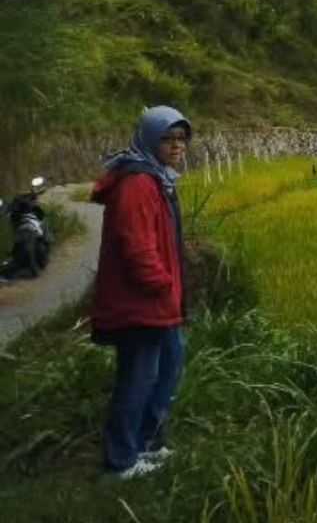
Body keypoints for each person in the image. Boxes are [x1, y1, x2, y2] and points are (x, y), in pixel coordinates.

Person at [90, 106, 191, 480]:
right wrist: (161, 283)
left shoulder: (155, 179)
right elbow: (137, 246)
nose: (176, 145)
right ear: (150, 140)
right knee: (138, 378)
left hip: (159, 304)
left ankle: (145, 443)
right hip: (141, 304)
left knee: (167, 368)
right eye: (168, 138)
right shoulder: (137, 183)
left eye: (181, 138)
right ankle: (121, 460)